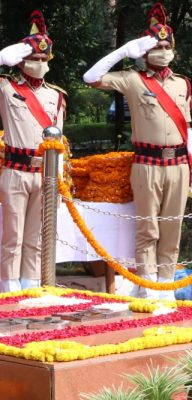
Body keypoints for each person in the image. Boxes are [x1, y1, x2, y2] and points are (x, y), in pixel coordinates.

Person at [83, 2, 188, 300]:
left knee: (172, 227)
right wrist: (123, 51)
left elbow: (188, 130)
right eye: (156, 45)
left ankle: (165, 283)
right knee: (148, 227)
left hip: (179, 164)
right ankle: (147, 281)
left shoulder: (184, 85)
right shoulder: (132, 79)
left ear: (174, 51)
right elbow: (90, 78)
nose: (162, 50)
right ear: (144, 51)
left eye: (166, 45)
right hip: (147, 163)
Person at [0, 10, 66, 293]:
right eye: (33, 59)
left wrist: (61, 178)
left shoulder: (56, 95)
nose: (38, 64)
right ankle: (9, 285)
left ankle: (30, 284)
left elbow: (60, 139)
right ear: (21, 62)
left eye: (43, 59)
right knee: (12, 234)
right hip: (16, 171)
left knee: (36, 236)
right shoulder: (5, 87)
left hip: (45, 172)